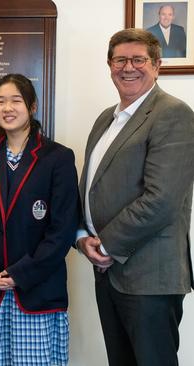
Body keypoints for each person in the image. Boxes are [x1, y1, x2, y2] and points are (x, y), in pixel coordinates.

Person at [76, 28, 194, 366]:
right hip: (109, 276)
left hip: (150, 279)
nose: (128, 67)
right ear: (110, 65)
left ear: (157, 66)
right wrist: (83, 238)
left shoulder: (173, 114)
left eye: (139, 59)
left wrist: (107, 245)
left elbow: (162, 199)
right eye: (120, 60)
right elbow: (91, 189)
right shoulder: (105, 119)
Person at [0, 74, 79, 366]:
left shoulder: (58, 158)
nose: (7, 107)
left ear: (32, 107)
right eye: (0, 101)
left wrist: (22, 273)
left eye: (16, 100)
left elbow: (63, 230)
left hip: (36, 289)